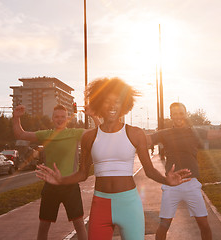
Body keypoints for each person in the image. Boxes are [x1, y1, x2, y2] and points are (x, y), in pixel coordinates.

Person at [36, 77, 191, 240]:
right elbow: (82, 174)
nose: (112, 106)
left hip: (129, 205)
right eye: (107, 102)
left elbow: (150, 170)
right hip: (100, 205)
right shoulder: (89, 137)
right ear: (99, 104)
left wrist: (168, 181)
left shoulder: (135, 133)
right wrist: (61, 180)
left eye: (117, 101)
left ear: (124, 104)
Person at [148, 102, 221, 240]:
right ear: (171, 115)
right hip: (171, 186)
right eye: (175, 113)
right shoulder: (165, 134)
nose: (178, 116)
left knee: (204, 225)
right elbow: (143, 140)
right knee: (163, 226)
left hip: (192, 184)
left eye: (181, 113)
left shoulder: (194, 132)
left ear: (185, 114)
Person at [13, 104, 100, 240]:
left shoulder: (74, 133)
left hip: (70, 186)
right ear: (52, 118)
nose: (60, 119)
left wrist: (94, 115)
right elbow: (21, 134)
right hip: (51, 187)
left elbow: (97, 132)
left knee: (79, 224)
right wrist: (16, 117)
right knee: (44, 225)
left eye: (63, 117)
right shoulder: (46, 134)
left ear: (67, 119)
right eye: (57, 117)